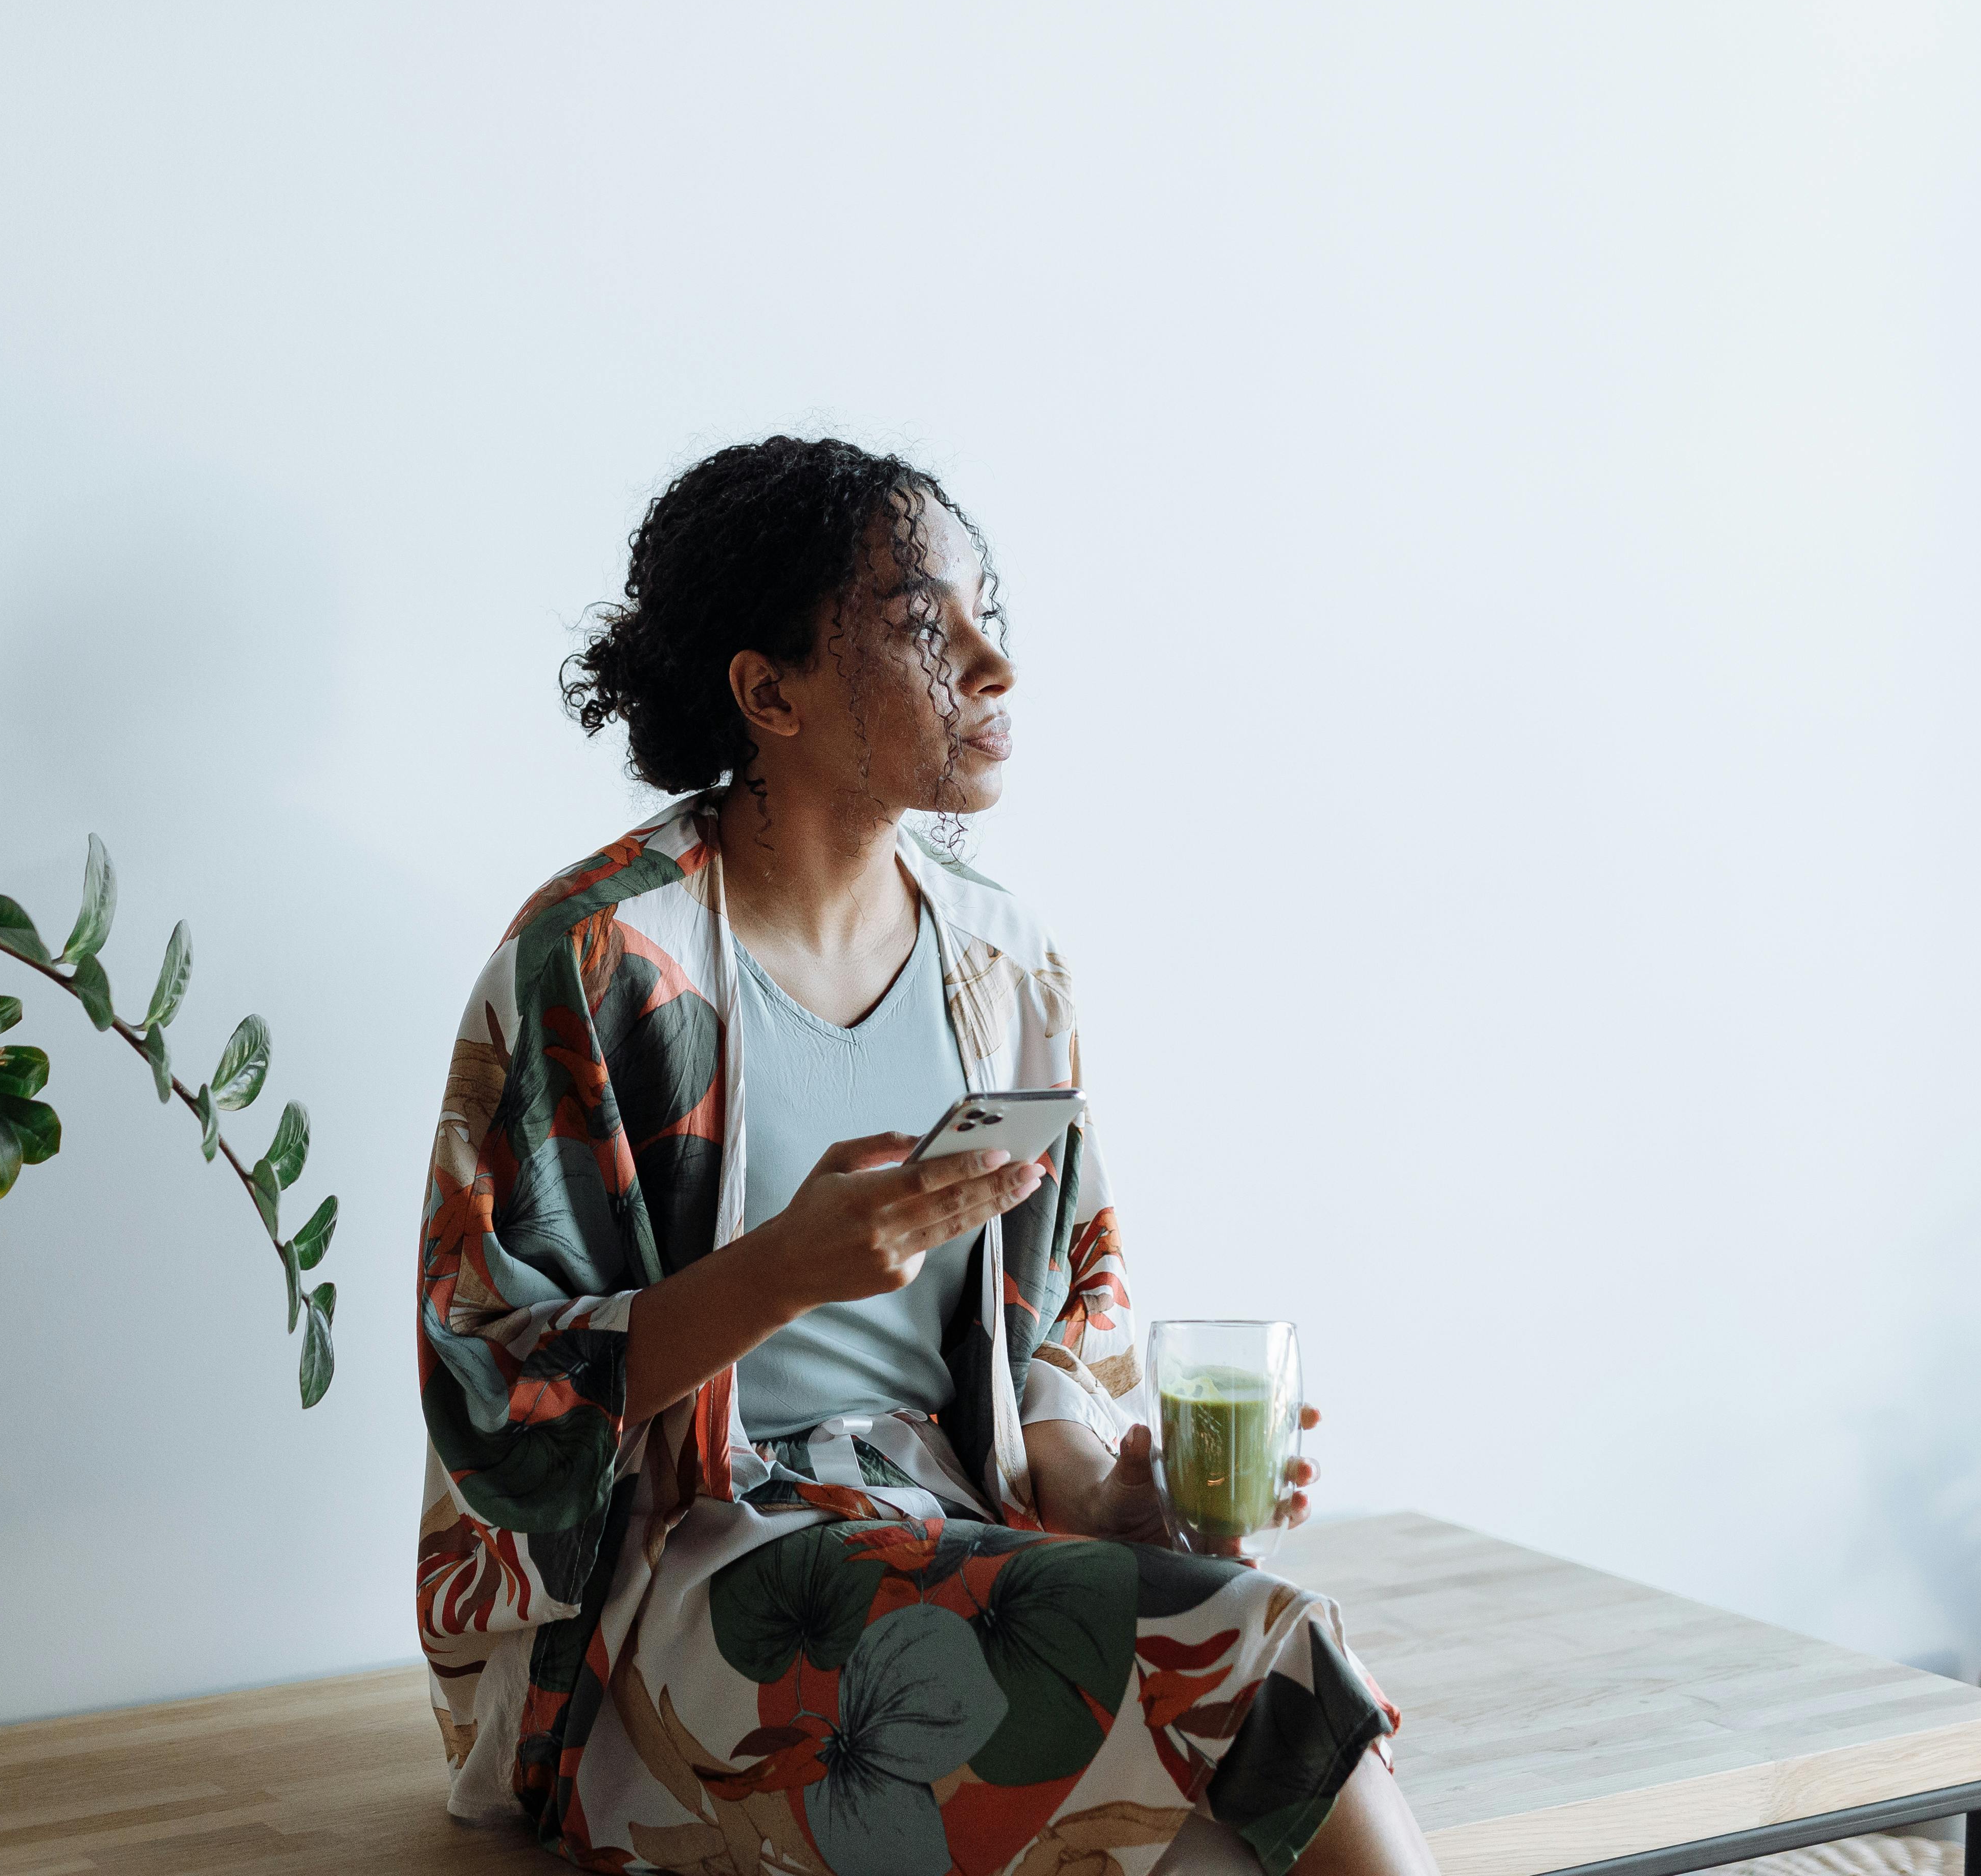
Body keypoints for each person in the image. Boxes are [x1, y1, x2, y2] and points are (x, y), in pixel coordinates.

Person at [415, 437, 1436, 1876]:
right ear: (767, 694)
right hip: (686, 1602)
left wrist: (1089, 1487)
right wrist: (782, 1274)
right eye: (920, 626)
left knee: (1220, 1843)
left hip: (954, 1541)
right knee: (1261, 1653)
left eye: (988, 615)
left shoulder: (1006, 965)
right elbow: (490, 1393)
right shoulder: (599, 962)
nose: (992, 666)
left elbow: (1068, 1322)